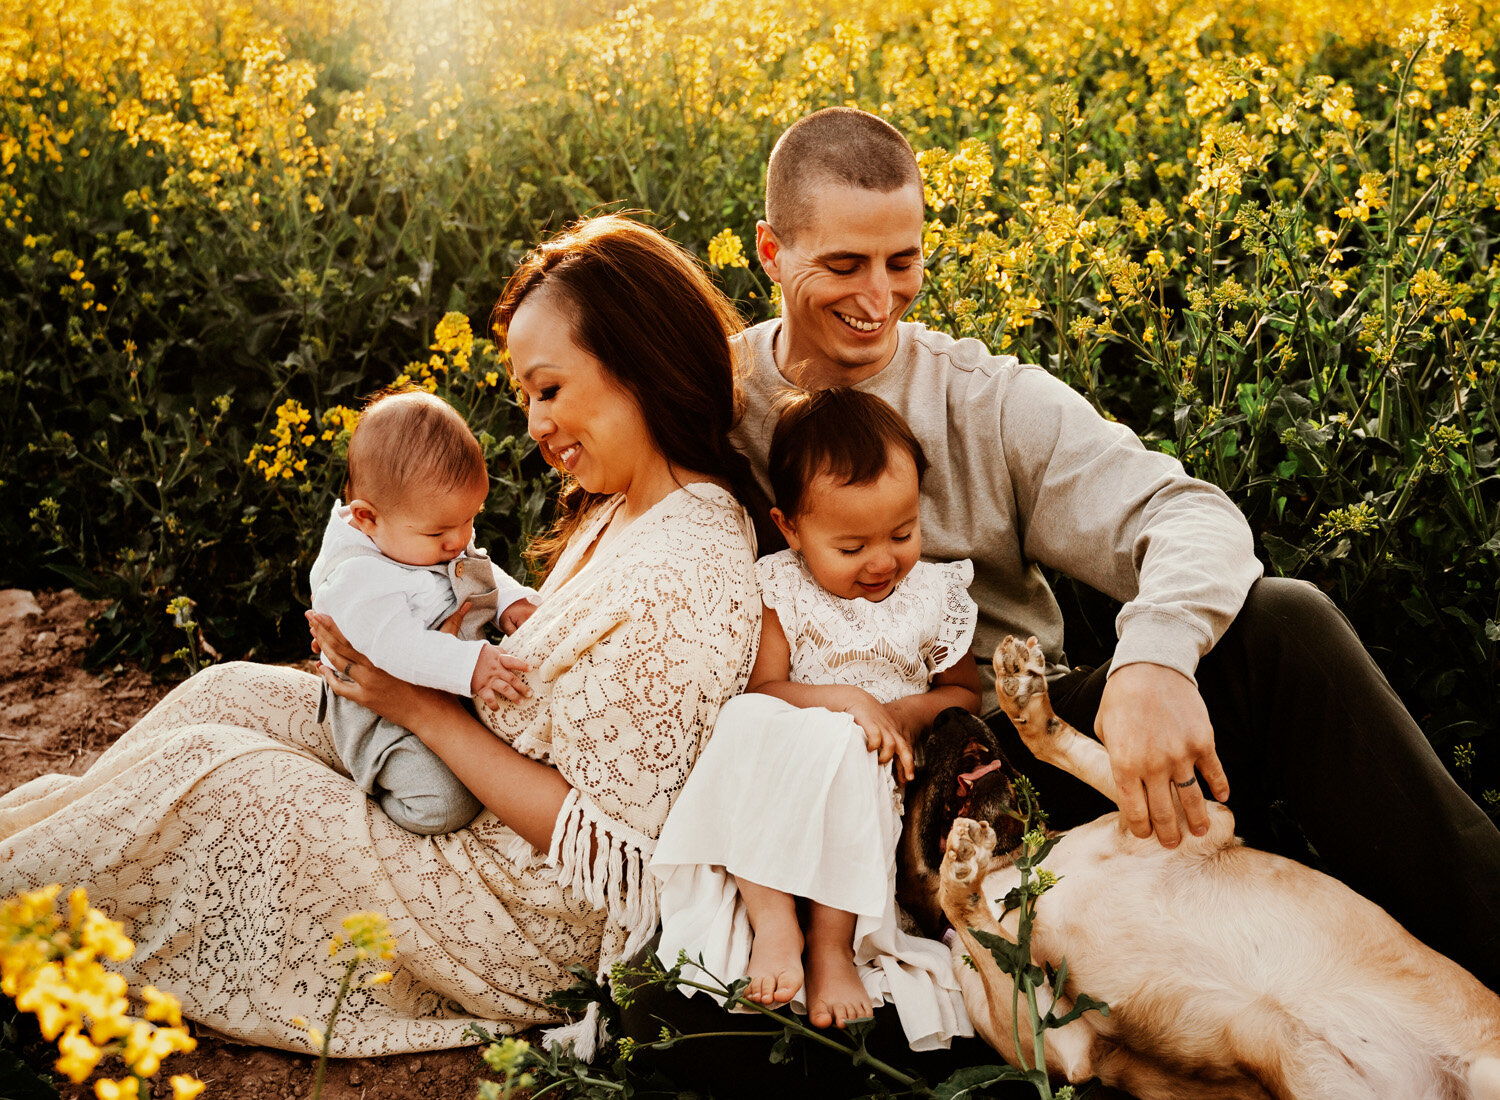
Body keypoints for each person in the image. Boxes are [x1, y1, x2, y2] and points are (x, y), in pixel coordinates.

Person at [728, 106, 1500, 990]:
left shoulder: (986, 398)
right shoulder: (712, 399)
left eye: (903, 262)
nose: (877, 298)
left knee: (1285, 626)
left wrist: (1155, 660)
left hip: (1009, 739)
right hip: (812, 779)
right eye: (842, 265)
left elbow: (1184, 513)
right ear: (769, 252)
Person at [0, 214, 763, 1057]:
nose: (535, 424)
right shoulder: (624, 505)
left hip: (511, 904)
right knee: (225, 694)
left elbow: (609, 849)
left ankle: (22, 910)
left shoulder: (686, 568)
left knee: (215, 785)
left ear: (640, 364)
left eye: (548, 389)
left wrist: (414, 705)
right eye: (526, 397)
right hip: (462, 784)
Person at [652, 387, 980, 1050]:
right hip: (796, 760)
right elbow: (767, 688)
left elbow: (965, 696)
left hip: (880, 772)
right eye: (852, 545)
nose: (883, 560)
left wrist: (895, 712)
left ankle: (832, 947)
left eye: (902, 533)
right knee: (748, 719)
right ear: (792, 528)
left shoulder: (936, 592)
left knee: (850, 744)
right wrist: (846, 700)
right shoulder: (781, 587)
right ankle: (775, 921)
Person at [309, 387, 538, 835]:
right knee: (448, 803)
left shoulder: (419, 534)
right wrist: (471, 664)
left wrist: (509, 600)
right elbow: (401, 649)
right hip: (384, 716)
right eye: (441, 533)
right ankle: (381, 798)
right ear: (366, 518)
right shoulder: (358, 578)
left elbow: (474, 565)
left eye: (470, 519)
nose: (459, 540)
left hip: (441, 683)